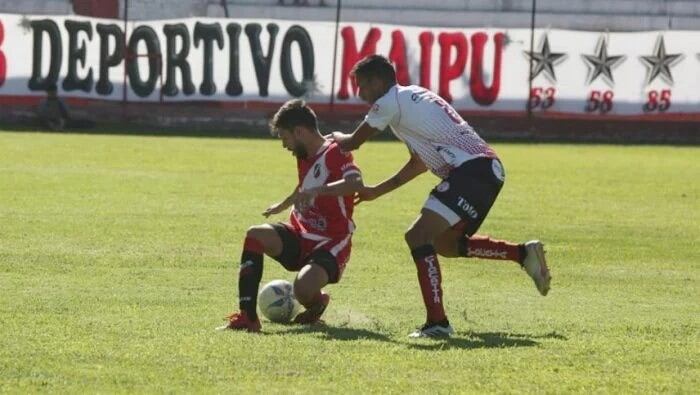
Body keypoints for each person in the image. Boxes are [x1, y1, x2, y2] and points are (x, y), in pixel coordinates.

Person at [331, 55, 552, 338]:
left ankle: (438, 323)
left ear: (377, 82)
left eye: (362, 85)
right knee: (445, 244)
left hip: (472, 171)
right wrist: (375, 191)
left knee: (418, 236)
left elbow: (352, 143)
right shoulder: (411, 98)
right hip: (485, 171)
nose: (360, 94)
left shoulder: (388, 103)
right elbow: (417, 164)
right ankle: (522, 254)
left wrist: (329, 137)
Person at [218, 99, 364, 332]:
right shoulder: (303, 153)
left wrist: (320, 191)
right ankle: (248, 317)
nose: (284, 144)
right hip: (301, 232)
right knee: (255, 235)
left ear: (299, 131)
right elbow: (305, 185)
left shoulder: (336, 151)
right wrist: (285, 203)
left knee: (302, 290)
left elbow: (355, 183)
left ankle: (316, 302)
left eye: (285, 137)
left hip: (332, 241)